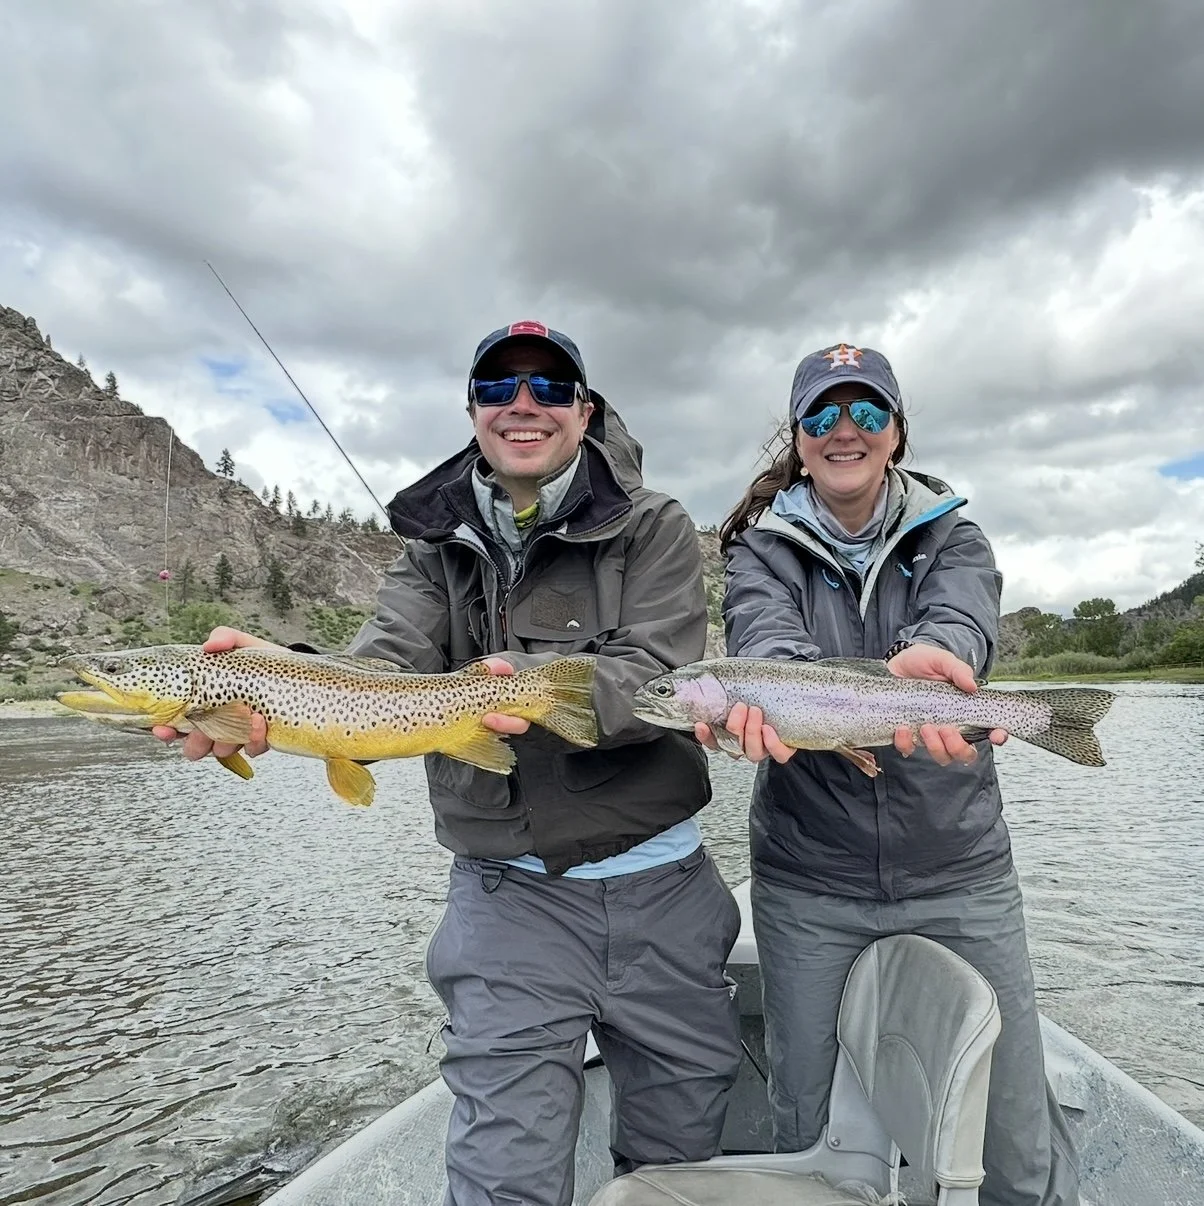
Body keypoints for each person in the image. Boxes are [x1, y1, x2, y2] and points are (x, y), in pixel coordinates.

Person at [156, 321, 742, 1206]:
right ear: (472, 412)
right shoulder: (430, 549)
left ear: (584, 412)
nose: (523, 404)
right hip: (508, 905)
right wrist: (279, 678)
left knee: (682, 1163)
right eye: (499, 388)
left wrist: (538, 688)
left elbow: (660, 675)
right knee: (503, 1175)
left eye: (549, 388)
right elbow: (382, 665)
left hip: (667, 892)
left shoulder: (652, 525)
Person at [701, 342, 1080, 1206]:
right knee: (804, 1114)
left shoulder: (955, 531)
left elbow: (962, 617)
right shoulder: (759, 552)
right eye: (823, 415)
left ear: (897, 433)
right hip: (809, 881)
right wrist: (768, 700)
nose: (845, 430)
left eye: (866, 412)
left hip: (961, 870)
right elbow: (766, 640)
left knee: (1014, 1128)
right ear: (797, 438)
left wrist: (941, 657)